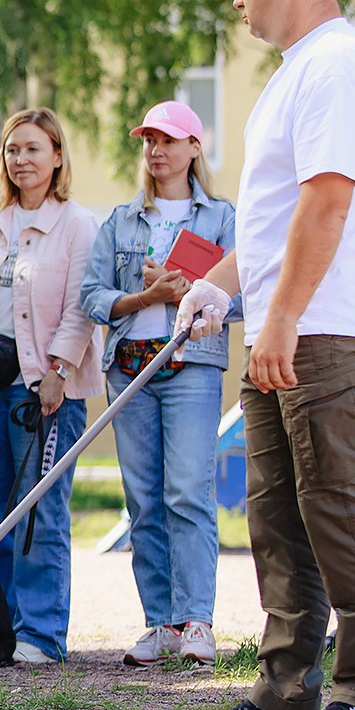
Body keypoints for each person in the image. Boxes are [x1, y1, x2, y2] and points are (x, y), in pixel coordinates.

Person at [177, 0, 355, 710]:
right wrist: (217, 284)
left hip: (325, 328)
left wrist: (279, 319)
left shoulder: (343, 65)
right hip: (284, 326)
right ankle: (285, 694)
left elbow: (329, 201)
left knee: (343, 506)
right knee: (278, 516)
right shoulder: (293, 73)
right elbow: (274, 221)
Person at [0, 108, 102, 665]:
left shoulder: (79, 223)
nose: (21, 159)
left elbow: (84, 303)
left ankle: (42, 633)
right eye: (13, 149)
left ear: (57, 155)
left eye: (33, 148)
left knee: (39, 511)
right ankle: (2, 629)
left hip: (44, 387)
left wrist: (59, 369)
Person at [79, 100, 235, 668]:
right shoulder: (121, 220)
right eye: (148, 139)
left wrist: (191, 288)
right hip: (130, 368)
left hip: (191, 363)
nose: (156, 150)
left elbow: (243, 292)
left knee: (187, 490)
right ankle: (160, 622)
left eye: (168, 139)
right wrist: (148, 296)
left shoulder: (221, 218)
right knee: (143, 499)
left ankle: (197, 620)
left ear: (195, 147)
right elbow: (91, 296)